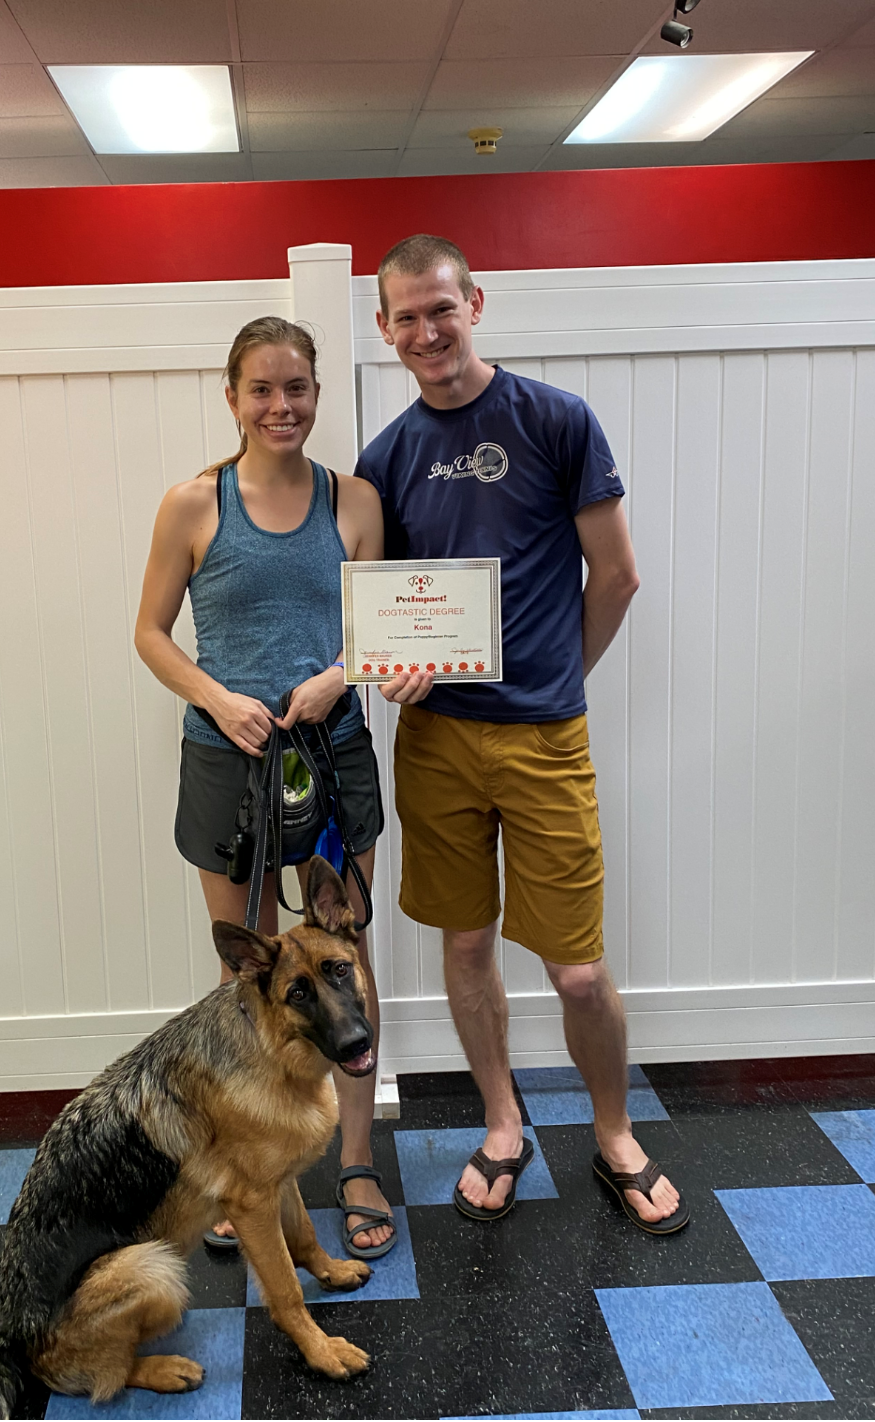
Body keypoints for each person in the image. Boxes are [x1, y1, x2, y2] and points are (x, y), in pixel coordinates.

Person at [358, 236, 688, 1234]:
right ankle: (502, 1125)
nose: (425, 331)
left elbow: (616, 574)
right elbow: (388, 610)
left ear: (475, 304)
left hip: (544, 739)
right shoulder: (386, 457)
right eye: (405, 317)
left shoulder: (554, 420)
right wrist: (397, 671)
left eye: (440, 309)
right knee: (465, 941)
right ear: (383, 330)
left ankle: (613, 1132)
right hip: (438, 743)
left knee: (575, 966)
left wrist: (556, 678)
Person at [134, 316, 397, 1258]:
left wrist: (340, 675)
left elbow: (384, 629)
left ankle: (357, 1161)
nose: (281, 407)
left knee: (348, 970)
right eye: (262, 390)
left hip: (335, 757)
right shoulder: (193, 505)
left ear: (318, 393)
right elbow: (152, 634)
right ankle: (249, 1165)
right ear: (234, 396)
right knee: (246, 977)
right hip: (227, 763)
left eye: (298, 389)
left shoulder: (355, 501)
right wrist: (218, 696)